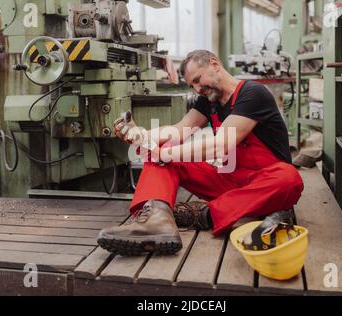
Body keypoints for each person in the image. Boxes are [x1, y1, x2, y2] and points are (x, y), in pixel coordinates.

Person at [97, 50, 304, 256]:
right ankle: (156, 220)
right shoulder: (208, 101)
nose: (197, 89)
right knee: (159, 155)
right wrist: (141, 135)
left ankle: (203, 215)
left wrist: (162, 152)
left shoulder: (253, 94)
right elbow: (178, 130)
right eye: (192, 85)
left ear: (214, 64)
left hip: (265, 185)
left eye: (198, 79)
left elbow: (220, 145)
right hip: (230, 182)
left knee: (289, 178)